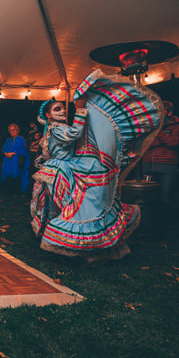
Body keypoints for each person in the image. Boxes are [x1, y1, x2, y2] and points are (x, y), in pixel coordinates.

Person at [30, 69, 163, 261]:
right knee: (73, 205)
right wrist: (82, 109)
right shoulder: (56, 129)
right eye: (57, 109)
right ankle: (62, 242)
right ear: (48, 116)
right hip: (62, 169)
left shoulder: (55, 128)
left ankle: (62, 243)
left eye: (63, 107)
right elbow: (75, 133)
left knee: (64, 205)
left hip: (63, 168)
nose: (63, 110)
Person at [142, 101, 179, 214]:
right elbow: (145, 144)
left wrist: (159, 132)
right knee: (148, 194)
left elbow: (174, 142)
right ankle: (149, 221)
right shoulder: (148, 126)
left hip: (167, 165)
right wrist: (161, 139)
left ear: (169, 113)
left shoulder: (176, 127)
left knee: (166, 195)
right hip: (148, 164)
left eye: (161, 111)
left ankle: (164, 222)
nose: (158, 113)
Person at [0, 123, 30, 195]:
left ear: (17, 130)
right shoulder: (8, 140)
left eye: (13, 130)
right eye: (10, 130)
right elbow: (4, 149)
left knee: (17, 175)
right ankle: (9, 191)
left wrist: (12, 153)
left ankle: (17, 192)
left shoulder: (21, 139)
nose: (12, 132)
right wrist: (5, 153)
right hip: (8, 160)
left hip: (18, 160)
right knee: (8, 175)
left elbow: (23, 150)